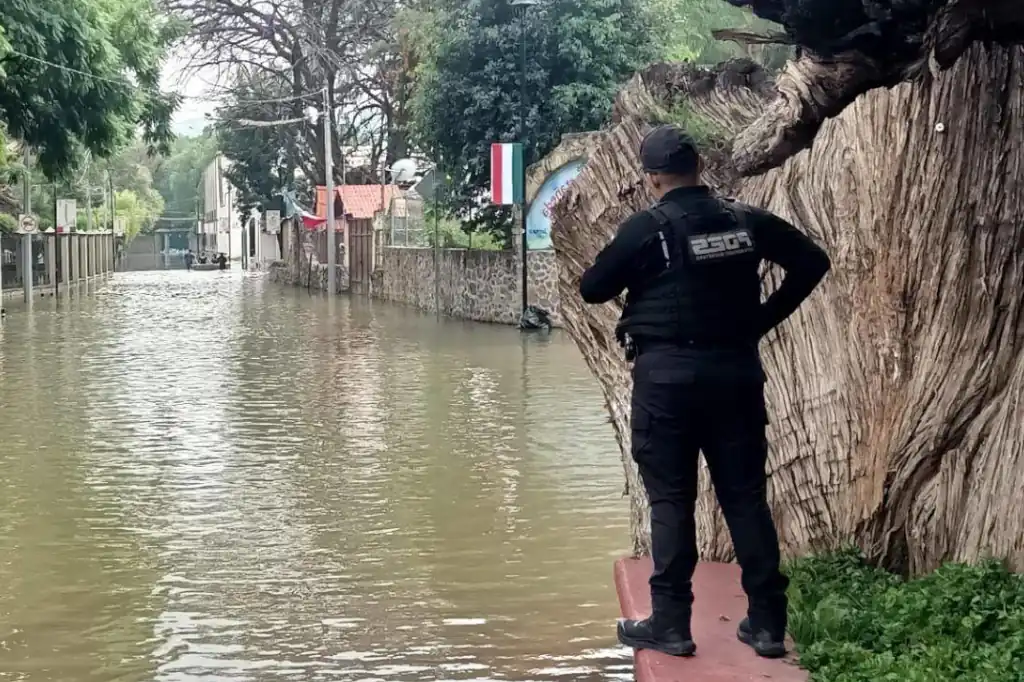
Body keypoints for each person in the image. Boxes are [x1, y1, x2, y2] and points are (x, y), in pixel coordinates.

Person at [579, 125, 831, 660]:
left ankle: (670, 623)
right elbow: (813, 262)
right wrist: (760, 321)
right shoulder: (746, 220)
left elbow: (593, 288)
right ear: (698, 167)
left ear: (651, 178)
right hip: (735, 373)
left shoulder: (647, 228)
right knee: (745, 500)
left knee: (671, 500)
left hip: (667, 380)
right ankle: (766, 623)